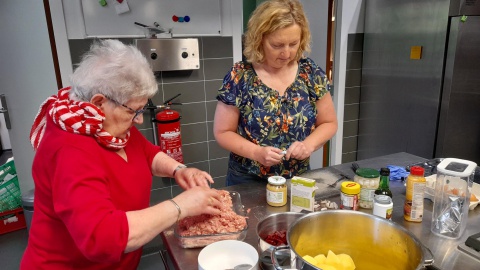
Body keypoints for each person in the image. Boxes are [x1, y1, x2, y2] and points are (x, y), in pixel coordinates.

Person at [21, 39, 222, 269]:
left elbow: (147, 153)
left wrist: (178, 170)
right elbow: (102, 237)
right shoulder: (69, 150)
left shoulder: (104, 124)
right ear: (99, 103)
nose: (139, 120)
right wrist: (180, 206)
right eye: (134, 111)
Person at [214, 0, 338, 186]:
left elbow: (329, 123)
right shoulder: (240, 76)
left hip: (299, 178)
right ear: (260, 40)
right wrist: (256, 153)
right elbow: (223, 132)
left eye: (293, 44)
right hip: (248, 178)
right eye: (277, 45)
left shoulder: (310, 73)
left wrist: (308, 145)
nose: (287, 53)